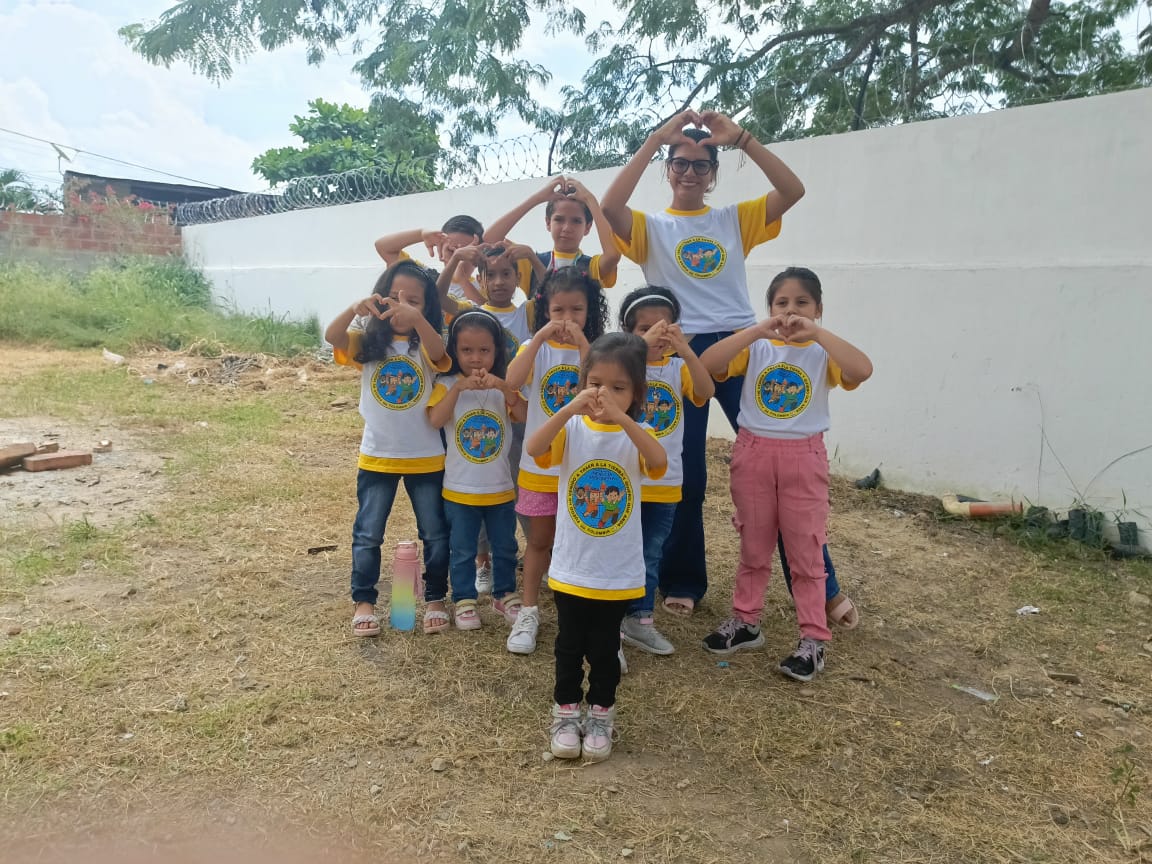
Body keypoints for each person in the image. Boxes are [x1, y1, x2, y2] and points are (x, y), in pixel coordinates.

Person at [600, 108, 810, 617]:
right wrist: (656, 139)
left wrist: (742, 138)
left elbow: (793, 189)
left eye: (700, 165)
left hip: (739, 347)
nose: (689, 173)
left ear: (713, 173)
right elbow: (609, 207)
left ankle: (817, 586)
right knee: (685, 474)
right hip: (679, 354)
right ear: (668, 170)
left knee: (782, 467)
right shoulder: (651, 228)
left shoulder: (733, 219)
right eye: (680, 164)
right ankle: (684, 581)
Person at [698, 267, 872, 681]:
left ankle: (813, 638)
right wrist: (757, 330)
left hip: (803, 457)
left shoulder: (823, 352)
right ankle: (746, 621)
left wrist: (819, 334)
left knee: (806, 552)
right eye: (781, 303)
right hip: (753, 452)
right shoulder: (756, 347)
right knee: (754, 545)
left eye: (801, 303)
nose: (790, 312)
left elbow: (862, 369)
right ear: (769, 307)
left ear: (818, 309)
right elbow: (708, 364)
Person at [525, 332, 667, 760]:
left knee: (605, 651)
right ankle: (566, 712)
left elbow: (658, 463)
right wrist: (569, 406)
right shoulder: (570, 428)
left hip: (616, 573)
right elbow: (535, 448)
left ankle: (602, 714)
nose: (603, 394)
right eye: (596, 384)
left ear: (637, 393)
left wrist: (625, 418)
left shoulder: (637, 435)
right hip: (571, 568)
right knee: (568, 645)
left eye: (618, 387)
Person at [324, 260, 451, 636]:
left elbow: (440, 349)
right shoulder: (367, 343)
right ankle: (364, 602)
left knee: (435, 532)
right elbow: (333, 336)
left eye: (413, 300)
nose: (402, 305)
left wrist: (420, 320)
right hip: (377, 455)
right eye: (394, 297)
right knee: (368, 533)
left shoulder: (425, 347)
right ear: (379, 298)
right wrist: (353, 309)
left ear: (427, 307)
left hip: (425, 457)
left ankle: (434, 599)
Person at [503, 268, 609, 654]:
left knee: (585, 544)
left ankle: (590, 622)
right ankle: (529, 611)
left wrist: (585, 345)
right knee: (539, 543)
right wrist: (538, 339)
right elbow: (512, 382)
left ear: (590, 311)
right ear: (544, 309)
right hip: (541, 467)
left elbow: (596, 387)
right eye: (557, 310)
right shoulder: (536, 345)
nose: (566, 319)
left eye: (576, 310)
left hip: (584, 467)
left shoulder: (599, 348)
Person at [436, 245, 545, 592]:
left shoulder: (527, 312)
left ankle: (532, 557)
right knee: (479, 484)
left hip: (509, 410)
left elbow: (551, 292)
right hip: (473, 415)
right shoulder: (470, 311)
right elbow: (438, 299)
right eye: (490, 274)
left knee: (515, 490)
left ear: (518, 278)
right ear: (479, 278)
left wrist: (531, 256)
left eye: (507, 274)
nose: (499, 282)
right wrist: (455, 261)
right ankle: (482, 563)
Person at [616, 286, 714, 657]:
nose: (656, 335)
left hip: (666, 481)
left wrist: (687, 350)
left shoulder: (678, 368)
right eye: (643, 329)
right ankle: (611, 623)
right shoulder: (622, 369)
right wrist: (638, 350)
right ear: (627, 332)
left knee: (650, 553)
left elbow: (706, 389)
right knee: (620, 551)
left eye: (664, 327)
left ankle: (639, 620)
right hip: (626, 480)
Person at [427, 309, 526, 629]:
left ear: (497, 351)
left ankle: (504, 594)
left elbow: (523, 414)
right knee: (463, 547)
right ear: (455, 351)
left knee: (505, 544)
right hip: (459, 488)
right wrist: (458, 390)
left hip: (500, 487)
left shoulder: (504, 386)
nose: (476, 358)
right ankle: (464, 600)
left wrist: (503, 387)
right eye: (466, 350)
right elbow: (435, 420)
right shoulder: (446, 383)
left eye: (484, 350)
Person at [485, 176, 621, 289]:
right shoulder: (531, 261)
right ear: (548, 223)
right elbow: (490, 239)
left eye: (576, 221)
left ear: (587, 227)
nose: (567, 227)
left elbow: (613, 255)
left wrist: (590, 200)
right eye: (559, 220)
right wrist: (537, 198)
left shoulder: (592, 266)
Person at [374, 215, 493, 304]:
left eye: (466, 252)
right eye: (452, 251)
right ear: (440, 250)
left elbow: (486, 315)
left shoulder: (484, 285)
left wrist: (462, 279)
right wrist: (421, 234)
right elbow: (383, 247)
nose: (459, 258)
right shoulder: (423, 275)